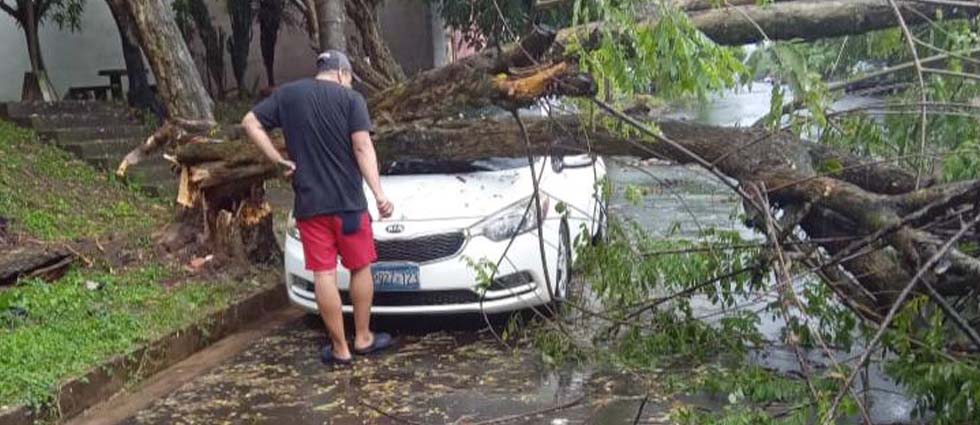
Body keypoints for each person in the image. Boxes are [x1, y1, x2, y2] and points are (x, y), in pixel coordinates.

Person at [242, 50, 395, 366]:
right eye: (350, 79)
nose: (350, 85)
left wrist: (276, 158)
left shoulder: (288, 95)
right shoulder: (351, 100)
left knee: (323, 273)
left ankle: (340, 349)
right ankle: (363, 337)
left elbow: (250, 122)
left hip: (311, 205)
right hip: (350, 205)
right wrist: (379, 194)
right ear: (342, 73)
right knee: (360, 267)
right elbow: (363, 146)